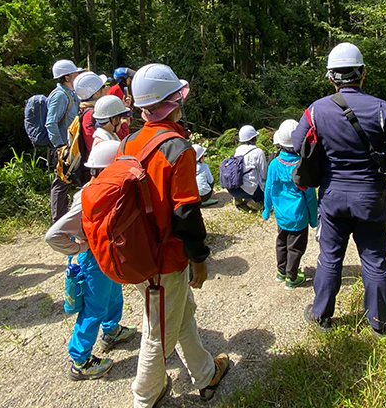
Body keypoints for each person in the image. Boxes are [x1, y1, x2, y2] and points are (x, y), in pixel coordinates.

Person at [292, 43, 386, 336]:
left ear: (330, 78)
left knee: (330, 258)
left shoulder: (315, 111)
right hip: (371, 197)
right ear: (362, 73)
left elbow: (299, 145)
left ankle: (322, 316)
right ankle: (379, 323)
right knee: (374, 259)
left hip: (333, 198)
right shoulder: (381, 108)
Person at [125, 63, 229, 407]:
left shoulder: (128, 141)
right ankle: (145, 395)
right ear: (173, 102)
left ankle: (204, 373)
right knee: (158, 331)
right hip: (165, 257)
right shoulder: (177, 148)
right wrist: (199, 260)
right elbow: (185, 213)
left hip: (138, 251)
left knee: (179, 312)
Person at [45, 140, 138, 380]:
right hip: (92, 260)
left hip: (106, 255)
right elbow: (54, 235)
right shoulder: (87, 196)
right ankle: (80, 360)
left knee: (114, 293)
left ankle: (111, 330)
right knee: (93, 308)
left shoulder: (104, 190)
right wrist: (81, 246)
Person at [263, 119, 318, 290]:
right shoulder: (302, 166)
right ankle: (292, 277)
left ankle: (281, 271)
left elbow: (268, 189)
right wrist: (314, 219)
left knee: (281, 242)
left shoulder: (274, 164)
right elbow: (310, 196)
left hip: (281, 215)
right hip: (298, 216)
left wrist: (266, 209)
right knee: (296, 247)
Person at [46, 59, 82, 223]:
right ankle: (57, 220)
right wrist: (60, 146)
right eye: (75, 74)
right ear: (67, 77)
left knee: (70, 179)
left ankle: (65, 217)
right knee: (61, 181)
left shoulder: (71, 94)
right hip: (63, 147)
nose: (77, 76)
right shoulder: (60, 96)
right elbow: (51, 122)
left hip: (70, 145)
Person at [72, 71, 109, 186]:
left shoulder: (85, 110)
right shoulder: (90, 114)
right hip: (96, 167)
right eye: (103, 87)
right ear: (97, 93)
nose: (107, 88)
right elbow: (93, 144)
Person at [227, 125, 267, 211]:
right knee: (264, 188)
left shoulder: (237, 150)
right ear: (254, 138)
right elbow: (264, 174)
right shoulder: (258, 152)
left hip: (232, 189)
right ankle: (253, 202)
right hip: (249, 191)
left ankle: (238, 198)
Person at [106, 67, 135, 140]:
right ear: (123, 79)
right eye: (128, 78)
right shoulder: (116, 90)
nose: (130, 80)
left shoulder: (123, 89)